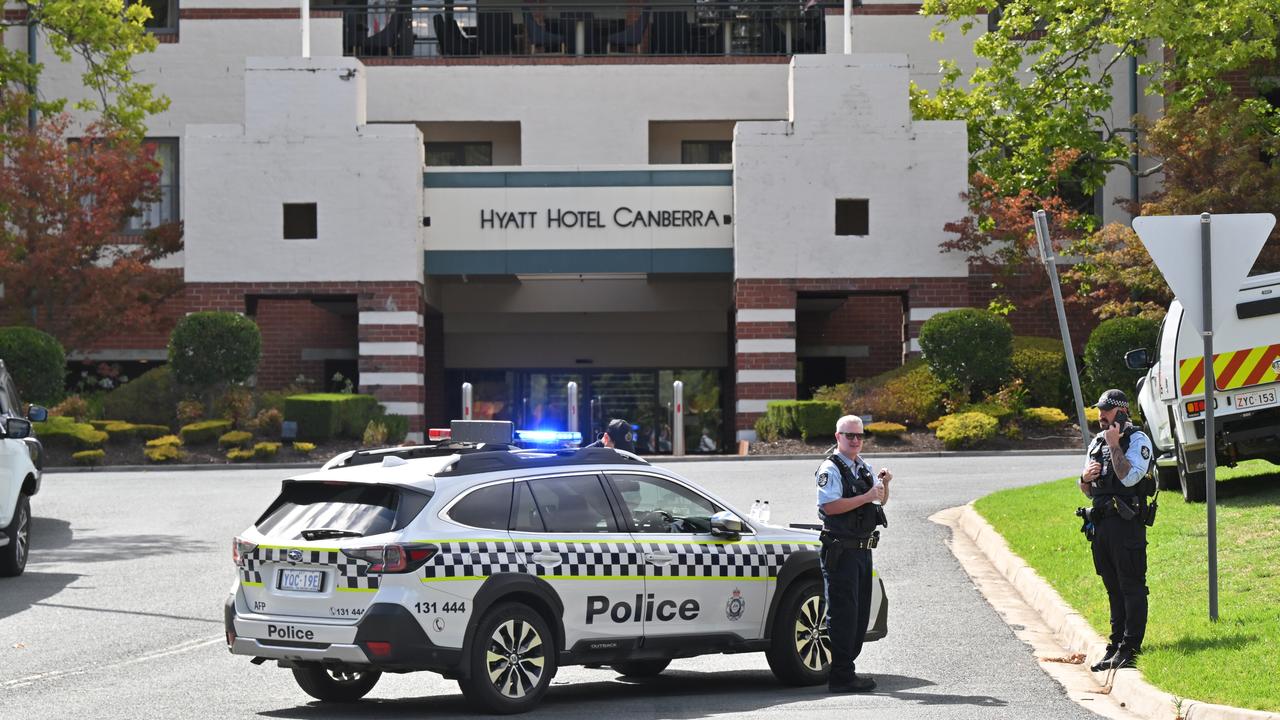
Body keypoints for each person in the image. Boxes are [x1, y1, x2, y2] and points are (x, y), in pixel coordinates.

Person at [815, 414, 891, 693]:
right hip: (841, 549)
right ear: (838, 437)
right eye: (850, 436)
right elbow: (830, 507)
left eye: (860, 436)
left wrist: (884, 485)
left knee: (858, 615)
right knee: (843, 614)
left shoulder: (863, 466)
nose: (856, 440)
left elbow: (879, 499)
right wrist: (868, 495)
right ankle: (841, 675)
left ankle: (847, 669)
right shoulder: (830, 469)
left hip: (862, 550)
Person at [1080, 389, 1153, 672]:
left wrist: (1114, 445)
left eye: (1106, 411)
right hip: (1101, 526)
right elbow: (1088, 490)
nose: (1100, 416)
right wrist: (1083, 479)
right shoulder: (1097, 442)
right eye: (1099, 410)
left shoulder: (1138, 440)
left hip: (1127, 525)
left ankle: (1130, 648)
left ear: (1121, 412)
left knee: (1131, 585)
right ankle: (1115, 646)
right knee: (1112, 587)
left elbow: (1129, 476)